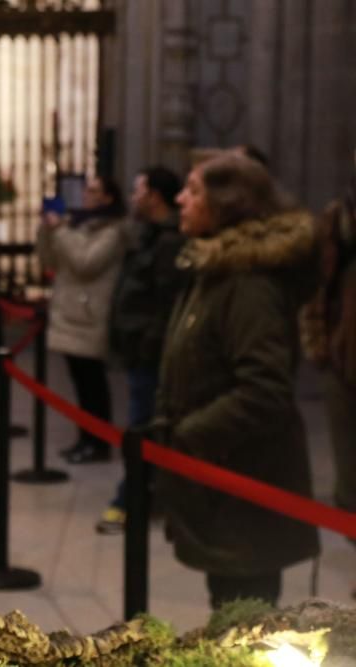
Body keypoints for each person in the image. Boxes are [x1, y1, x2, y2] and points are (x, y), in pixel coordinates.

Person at [156, 153, 320, 609]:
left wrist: (188, 436)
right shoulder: (216, 268)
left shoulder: (247, 284)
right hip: (221, 476)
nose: (180, 199)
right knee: (229, 605)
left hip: (247, 481)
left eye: (193, 190)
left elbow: (264, 389)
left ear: (227, 204)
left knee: (246, 613)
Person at [96, 166, 186, 534]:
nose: (132, 197)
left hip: (150, 355)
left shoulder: (169, 241)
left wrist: (146, 347)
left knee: (142, 429)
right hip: (139, 352)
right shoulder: (148, 236)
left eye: (138, 190)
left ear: (154, 196)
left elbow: (165, 303)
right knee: (142, 426)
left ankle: (131, 499)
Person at [38, 175, 126, 464]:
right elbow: (51, 261)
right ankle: (85, 438)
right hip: (71, 312)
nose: (86, 195)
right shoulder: (79, 224)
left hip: (89, 315)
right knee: (80, 383)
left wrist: (61, 230)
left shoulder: (112, 230)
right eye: (86, 189)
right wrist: (46, 231)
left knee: (93, 385)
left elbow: (85, 263)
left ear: (108, 198)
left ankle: (98, 442)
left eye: (93, 190)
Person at [299, 189, 356, 598]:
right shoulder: (337, 221)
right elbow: (318, 287)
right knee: (348, 466)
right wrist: (319, 342)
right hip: (344, 359)